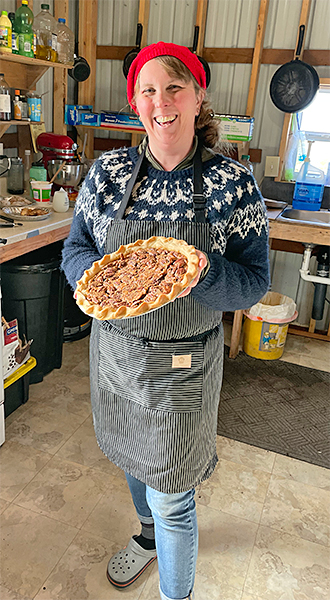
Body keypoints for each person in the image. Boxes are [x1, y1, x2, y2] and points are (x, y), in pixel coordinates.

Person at [62, 41, 270, 600]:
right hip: (116, 356)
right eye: (148, 90)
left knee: (172, 491)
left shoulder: (232, 182)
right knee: (132, 458)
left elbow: (253, 282)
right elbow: (75, 251)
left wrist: (201, 272)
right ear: (136, 103)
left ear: (199, 97)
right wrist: (105, 278)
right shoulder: (108, 174)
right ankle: (148, 537)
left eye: (175, 87)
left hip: (183, 363)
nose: (162, 102)